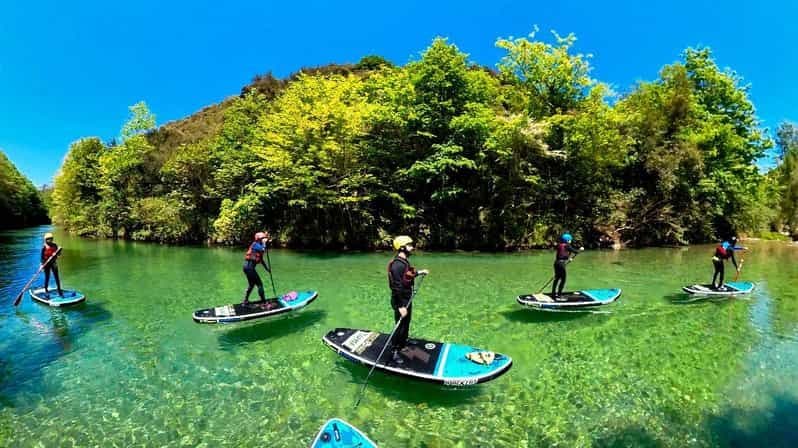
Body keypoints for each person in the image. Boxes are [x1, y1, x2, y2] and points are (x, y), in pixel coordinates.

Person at [387, 236, 428, 364]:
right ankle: (394, 350)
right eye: (409, 245)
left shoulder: (404, 262)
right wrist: (400, 306)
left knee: (406, 322)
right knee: (400, 326)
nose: (412, 247)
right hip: (400, 301)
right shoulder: (397, 265)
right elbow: (396, 287)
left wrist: (420, 272)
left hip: (406, 299)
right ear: (402, 247)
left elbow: (409, 274)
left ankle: (404, 342)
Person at [551, 233, 583, 300]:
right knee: (563, 279)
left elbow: (564, 253)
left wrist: (569, 258)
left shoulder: (559, 245)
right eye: (570, 240)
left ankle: (553, 294)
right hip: (561, 264)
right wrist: (580, 249)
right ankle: (559, 295)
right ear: (568, 240)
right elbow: (576, 252)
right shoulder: (567, 246)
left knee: (556, 279)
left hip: (556, 263)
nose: (570, 241)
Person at [242, 231, 271, 304]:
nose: (264, 239)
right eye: (262, 238)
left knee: (251, 285)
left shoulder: (259, 246)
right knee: (260, 284)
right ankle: (264, 301)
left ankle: (245, 300)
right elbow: (263, 249)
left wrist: (267, 269)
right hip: (249, 268)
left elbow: (261, 260)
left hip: (247, 268)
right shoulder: (255, 244)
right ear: (258, 239)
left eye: (264, 238)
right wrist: (264, 243)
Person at [41, 232, 63, 297]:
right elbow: (42, 257)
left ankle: (59, 290)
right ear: (46, 240)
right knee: (47, 277)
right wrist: (42, 265)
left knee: (57, 277)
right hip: (46, 263)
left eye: (51, 239)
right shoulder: (44, 247)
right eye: (48, 239)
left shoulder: (55, 245)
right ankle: (46, 289)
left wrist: (56, 254)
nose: (50, 240)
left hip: (53, 263)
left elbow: (59, 254)